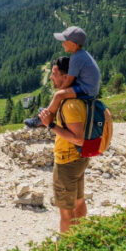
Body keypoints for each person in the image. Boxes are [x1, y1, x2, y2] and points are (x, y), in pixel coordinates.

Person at [24, 26, 101, 129]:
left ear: (73, 45)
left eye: (64, 41)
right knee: (60, 95)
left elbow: (69, 80)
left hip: (86, 90)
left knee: (59, 95)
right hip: (87, 87)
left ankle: (41, 120)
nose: (62, 43)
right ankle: (49, 110)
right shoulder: (82, 54)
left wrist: (60, 92)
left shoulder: (76, 58)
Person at [46, 56, 90, 233]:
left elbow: (78, 138)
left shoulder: (70, 104)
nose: (51, 78)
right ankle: (82, 238)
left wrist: (51, 125)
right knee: (79, 201)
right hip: (78, 158)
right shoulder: (77, 96)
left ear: (66, 77)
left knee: (66, 212)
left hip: (67, 162)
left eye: (54, 74)